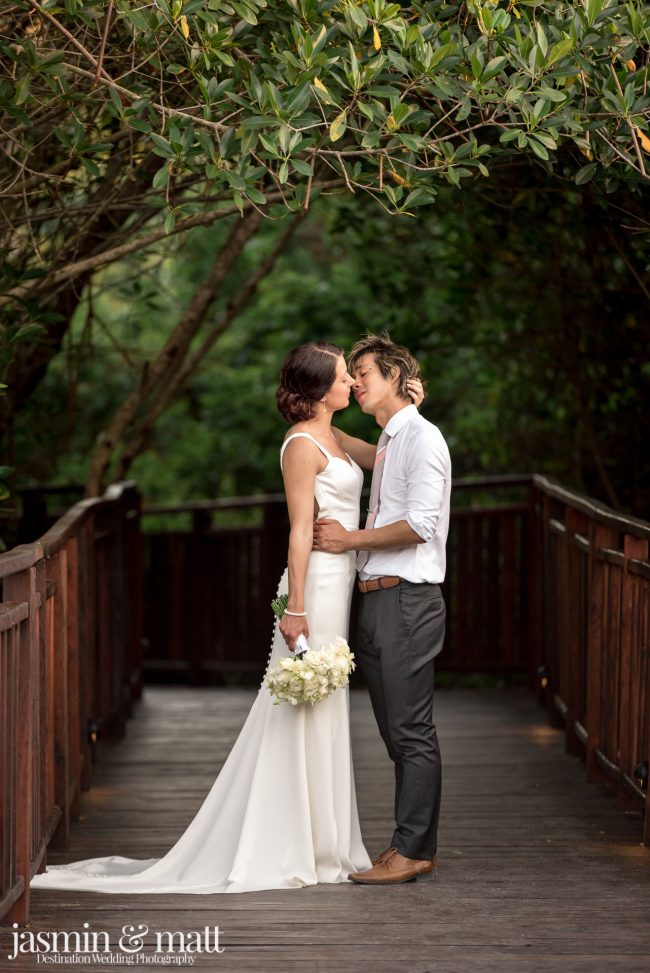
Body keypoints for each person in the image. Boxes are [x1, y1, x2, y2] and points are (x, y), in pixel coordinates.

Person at [30, 341, 421, 896]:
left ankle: (324, 841)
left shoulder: (336, 436)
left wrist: (407, 403)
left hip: (341, 585)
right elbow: (297, 530)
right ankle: (286, 840)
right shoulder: (301, 445)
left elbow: (387, 451)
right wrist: (297, 607)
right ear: (317, 390)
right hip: (314, 588)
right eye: (342, 377)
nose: (352, 385)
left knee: (326, 706)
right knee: (297, 705)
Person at [313, 333, 451, 886]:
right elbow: (351, 446)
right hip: (378, 600)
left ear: (394, 375)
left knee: (411, 732)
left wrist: (351, 540)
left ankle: (412, 850)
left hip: (407, 600)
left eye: (363, 371)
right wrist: (314, 416)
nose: (355, 381)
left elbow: (422, 524)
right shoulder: (397, 437)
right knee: (397, 734)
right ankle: (407, 844)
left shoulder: (421, 438)